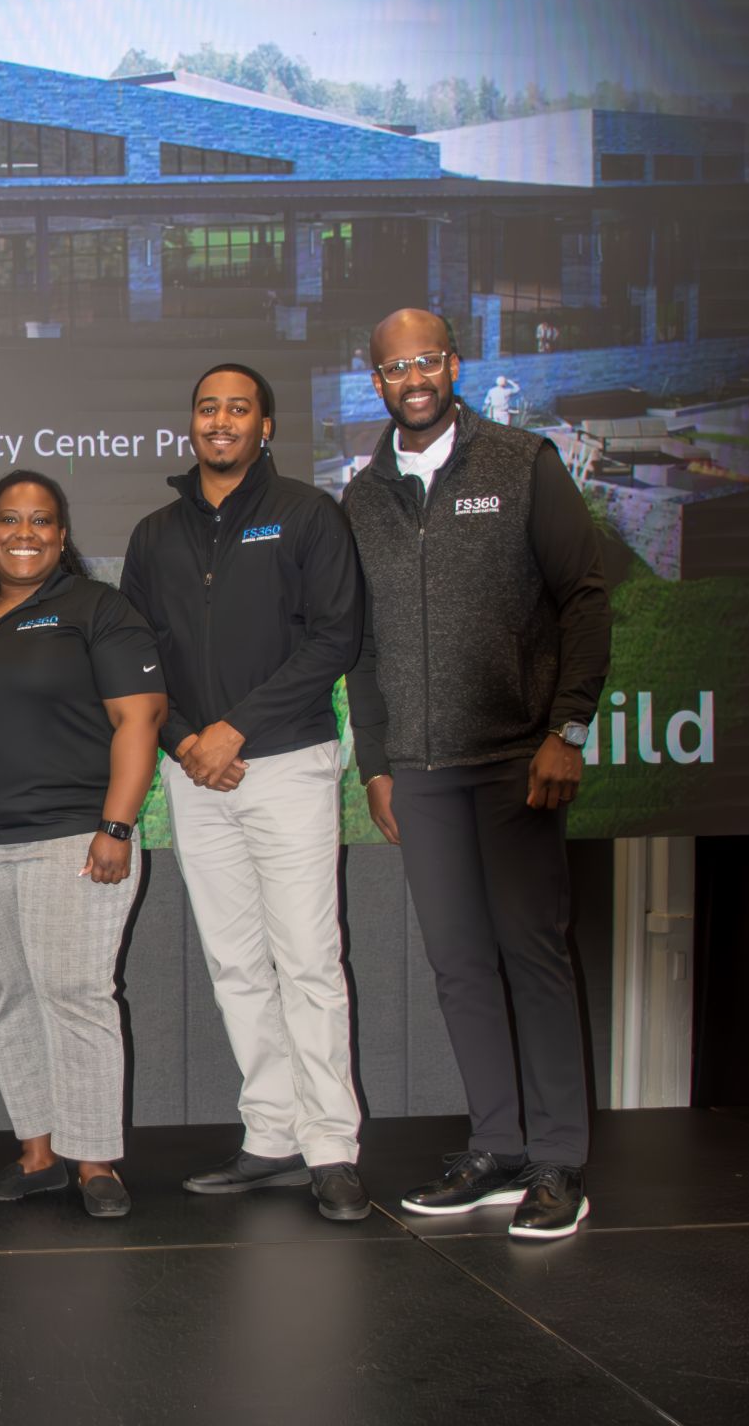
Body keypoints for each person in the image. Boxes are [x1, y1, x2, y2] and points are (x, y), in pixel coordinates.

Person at [345, 308, 610, 1240]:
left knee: (533, 957)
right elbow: (363, 648)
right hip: (417, 771)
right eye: (392, 366)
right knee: (458, 966)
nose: (410, 377)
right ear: (374, 380)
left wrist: (565, 727)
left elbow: (583, 595)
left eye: (425, 359)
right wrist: (374, 765)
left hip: (514, 762)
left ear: (452, 366)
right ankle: (497, 1147)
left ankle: (558, 1162)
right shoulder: (363, 493)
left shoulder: (518, 461)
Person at [121, 363, 369, 1222]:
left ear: (265, 425)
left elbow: (335, 638)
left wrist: (237, 730)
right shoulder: (155, 534)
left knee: (306, 958)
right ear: (191, 423)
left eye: (238, 408)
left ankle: (331, 1146)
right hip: (194, 770)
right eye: (206, 407)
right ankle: (272, 1136)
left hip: (287, 763)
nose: (219, 420)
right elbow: (136, 660)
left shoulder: (306, 514)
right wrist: (187, 738)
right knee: (234, 963)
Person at [0, 471, 164, 1218]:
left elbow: (138, 719)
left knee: (75, 995)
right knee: (6, 998)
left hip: (74, 840)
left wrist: (114, 827)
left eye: (41, 522)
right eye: (9, 521)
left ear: (61, 533)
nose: (25, 534)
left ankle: (95, 1163)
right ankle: (38, 1153)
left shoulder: (97, 609)